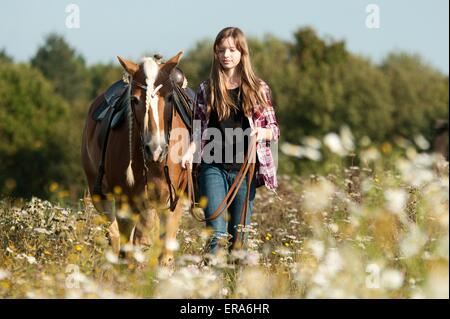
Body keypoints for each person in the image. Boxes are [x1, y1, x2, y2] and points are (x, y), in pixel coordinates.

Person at [181, 27, 280, 253]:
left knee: (239, 239)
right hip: (212, 165)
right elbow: (198, 130)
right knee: (215, 233)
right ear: (215, 53)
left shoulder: (258, 88)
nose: (226, 54)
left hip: (245, 169)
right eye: (221, 50)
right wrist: (189, 150)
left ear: (242, 53)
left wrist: (261, 133)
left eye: (232, 50)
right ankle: (211, 286)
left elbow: (274, 129)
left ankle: (234, 286)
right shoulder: (207, 88)